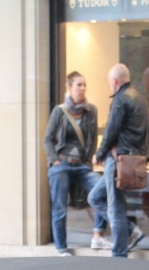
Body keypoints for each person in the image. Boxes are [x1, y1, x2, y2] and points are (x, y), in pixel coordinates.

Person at [43, 70, 107, 255]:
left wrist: (89, 162)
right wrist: (53, 160)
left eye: (84, 85)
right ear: (69, 87)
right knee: (59, 206)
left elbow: (93, 139)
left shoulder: (91, 110)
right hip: (61, 164)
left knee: (103, 189)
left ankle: (98, 236)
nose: (82, 88)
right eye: (79, 85)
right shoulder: (59, 111)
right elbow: (48, 139)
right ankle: (61, 248)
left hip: (82, 165)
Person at [91, 63, 149, 257]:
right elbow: (147, 132)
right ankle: (131, 230)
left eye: (110, 82)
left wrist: (99, 154)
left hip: (117, 162)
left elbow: (110, 131)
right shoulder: (141, 99)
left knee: (115, 208)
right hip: (133, 162)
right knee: (95, 197)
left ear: (115, 82)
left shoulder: (119, 99)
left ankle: (119, 255)